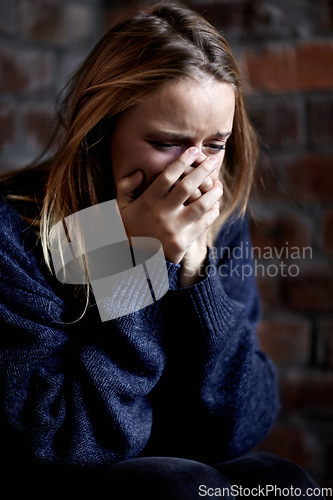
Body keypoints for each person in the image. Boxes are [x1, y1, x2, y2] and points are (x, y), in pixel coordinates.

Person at [0, 2, 323, 498]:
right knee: (183, 486)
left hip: (184, 456)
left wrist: (195, 268)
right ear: (101, 132)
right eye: (168, 143)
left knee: (282, 482)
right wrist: (132, 257)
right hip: (73, 467)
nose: (195, 171)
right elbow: (62, 439)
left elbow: (239, 429)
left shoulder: (220, 219)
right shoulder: (16, 230)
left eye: (214, 145)